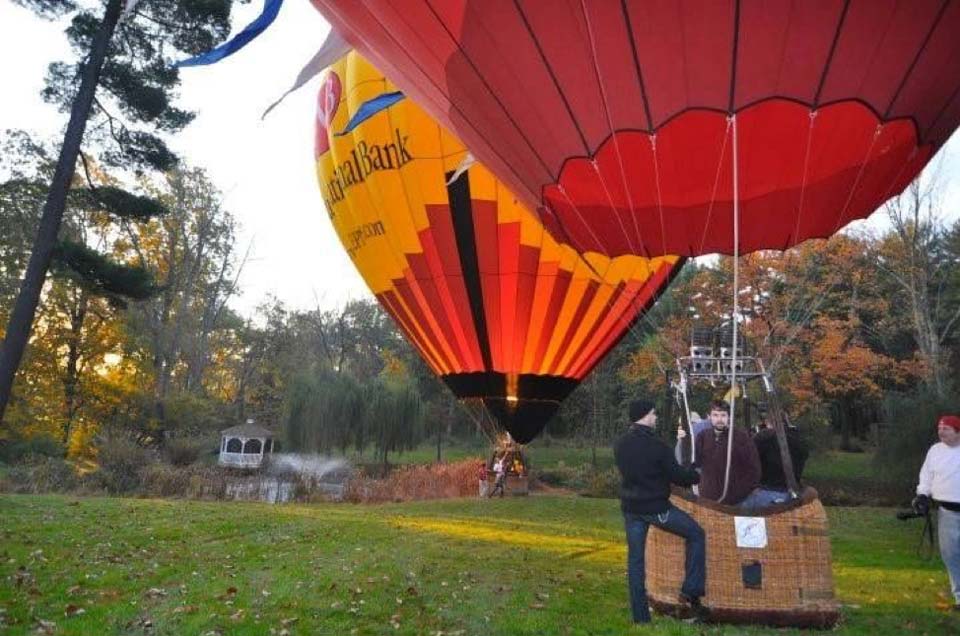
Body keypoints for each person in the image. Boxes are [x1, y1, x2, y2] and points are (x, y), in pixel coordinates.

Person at [614, 399, 708, 624]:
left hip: (631, 509)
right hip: (656, 508)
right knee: (696, 534)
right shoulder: (658, 446)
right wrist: (696, 472)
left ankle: (641, 618)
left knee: (636, 562)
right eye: (654, 414)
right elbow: (679, 477)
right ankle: (691, 590)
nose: (656, 417)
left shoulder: (619, 444)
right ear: (645, 415)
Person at [913, 414, 960, 612]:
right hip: (947, 511)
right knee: (950, 555)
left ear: (958, 432)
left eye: (946, 429)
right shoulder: (935, 451)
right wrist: (923, 495)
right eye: (940, 428)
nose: (941, 432)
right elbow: (926, 474)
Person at [695, 400, 761, 505]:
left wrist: (741, 493)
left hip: (736, 501)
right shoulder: (703, 436)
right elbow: (694, 462)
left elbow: (754, 469)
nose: (719, 419)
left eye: (723, 415)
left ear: (729, 417)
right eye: (715, 415)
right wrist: (682, 440)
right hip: (708, 499)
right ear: (710, 417)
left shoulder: (741, 438)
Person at [740, 419, 809, 508]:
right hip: (793, 493)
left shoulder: (766, 437)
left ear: (768, 424)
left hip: (767, 493)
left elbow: (746, 460)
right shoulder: (799, 439)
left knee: (734, 504)